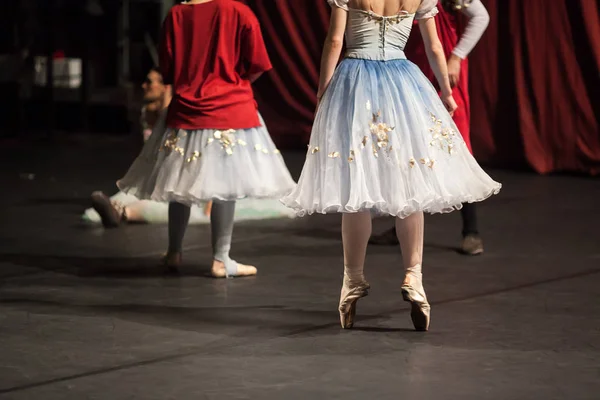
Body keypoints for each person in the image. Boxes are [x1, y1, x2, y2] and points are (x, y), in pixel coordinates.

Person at [281, 0, 500, 331]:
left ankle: (352, 282)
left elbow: (335, 41)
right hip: (403, 83)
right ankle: (414, 277)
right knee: (407, 181)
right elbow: (434, 45)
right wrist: (445, 90)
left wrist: (322, 93)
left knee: (357, 185)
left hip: (356, 82)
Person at [116, 0, 296, 278]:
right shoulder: (238, 11)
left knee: (181, 179)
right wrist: (230, 83)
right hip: (230, 109)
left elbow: (169, 70)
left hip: (187, 110)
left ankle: (174, 252)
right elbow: (258, 63)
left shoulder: (176, 15)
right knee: (226, 185)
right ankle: (220, 259)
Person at [84, 68, 295, 227]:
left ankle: (122, 214)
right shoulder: (146, 113)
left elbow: (209, 153)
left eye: (150, 82)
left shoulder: (176, 116)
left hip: (194, 177)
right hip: (169, 174)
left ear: (165, 86)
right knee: (137, 195)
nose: (144, 86)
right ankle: (118, 209)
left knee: (173, 204)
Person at [369, 0, 490, 255]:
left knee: (456, 144)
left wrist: (457, 56)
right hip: (411, 68)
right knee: (408, 147)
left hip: (444, 70)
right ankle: (402, 225)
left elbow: (480, 16)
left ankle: (471, 230)